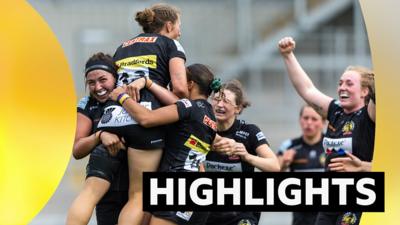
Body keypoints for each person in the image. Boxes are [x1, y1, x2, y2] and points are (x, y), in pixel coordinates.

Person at [97, 3, 188, 225]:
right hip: (145, 119)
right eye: (178, 26)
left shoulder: (123, 46)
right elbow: (180, 88)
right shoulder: (171, 43)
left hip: (115, 117)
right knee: (140, 197)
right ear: (168, 25)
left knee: (131, 193)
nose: (180, 31)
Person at [110, 63, 231, 225]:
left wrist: (121, 97)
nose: (173, 82)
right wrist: (148, 82)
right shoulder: (210, 116)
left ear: (190, 84)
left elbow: (147, 119)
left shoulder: (189, 107)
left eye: (178, 78)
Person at [278, 37, 375, 225]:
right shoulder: (336, 111)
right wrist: (288, 55)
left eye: (349, 83)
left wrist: (363, 167)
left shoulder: (370, 114)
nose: (342, 88)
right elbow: (307, 89)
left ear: (365, 92)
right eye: (340, 83)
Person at [204, 79, 280, 225]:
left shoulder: (249, 131)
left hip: (240, 214)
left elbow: (274, 166)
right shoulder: (202, 129)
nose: (219, 105)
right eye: (216, 100)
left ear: (238, 108)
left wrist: (246, 156)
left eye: (226, 101)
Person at [66, 52, 129, 225]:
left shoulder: (130, 96)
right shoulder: (87, 104)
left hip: (135, 186)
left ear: (115, 78)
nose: (97, 87)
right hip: (105, 188)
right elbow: (77, 150)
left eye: (103, 79)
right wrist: (100, 135)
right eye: (91, 83)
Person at [277, 105, 326, 225]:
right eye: (305, 118)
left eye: (314, 119)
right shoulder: (288, 146)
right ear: (300, 120)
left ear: (323, 122)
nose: (309, 123)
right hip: (301, 217)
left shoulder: (332, 146)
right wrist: (284, 163)